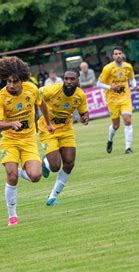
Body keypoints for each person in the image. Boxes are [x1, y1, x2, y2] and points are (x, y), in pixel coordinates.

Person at [0, 56, 55, 226]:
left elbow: (42, 105)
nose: (11, 85)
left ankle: (18, 170)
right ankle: (12, 215)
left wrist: (48, 123)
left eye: (14, 81)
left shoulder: (32, 89)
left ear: (22, 80)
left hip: (28, 140)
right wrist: (11, 123)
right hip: (10, 141)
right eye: (8, 81)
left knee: (35, 176)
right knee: (12, 176)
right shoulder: (0, 98)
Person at [40, 69, 89, 206]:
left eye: (72, 79)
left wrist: (85, 118)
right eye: (66, 78)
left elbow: (83, 113)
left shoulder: (80, 95)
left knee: (69, 162)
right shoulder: (52, 90)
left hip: (66, 129)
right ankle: (45, 161)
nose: (68, 81)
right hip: (48, 128)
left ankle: (52, 197)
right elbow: (35, 94)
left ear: (77, 80)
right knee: (55, 166)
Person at [98, 46, 139, 154]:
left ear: (123, 55)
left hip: (125, 98)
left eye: (120, 53)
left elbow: (131, 79)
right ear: (113, 56)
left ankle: (128, 148)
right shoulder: (108, 68)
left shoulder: (128, 67)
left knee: (127, 120)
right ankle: (110, 140)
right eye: (116, 54)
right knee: (116, 126)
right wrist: (110, 87)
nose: (118, 56)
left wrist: (135, 86)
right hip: (112, 100)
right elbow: (99, 84)